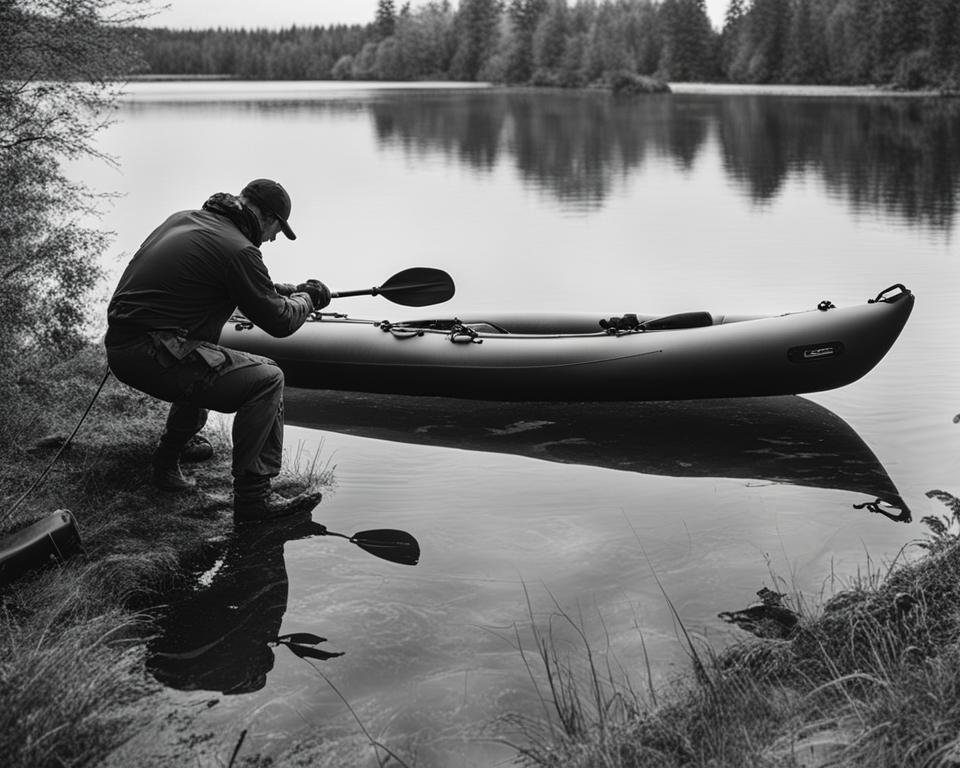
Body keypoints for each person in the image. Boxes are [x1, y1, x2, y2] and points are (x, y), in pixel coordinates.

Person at [105, 179, 329, 524]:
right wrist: (308, 300)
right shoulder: (239, 250)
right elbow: (280, 322)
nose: (271, 239)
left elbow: (236, 279)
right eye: (276, 230)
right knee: (267, 378)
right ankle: (254, 501)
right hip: (150, 353)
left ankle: (168, 460)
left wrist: (287, 289)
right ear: (266, 216)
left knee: (202, 353)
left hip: (123, 345)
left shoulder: (183, 219)